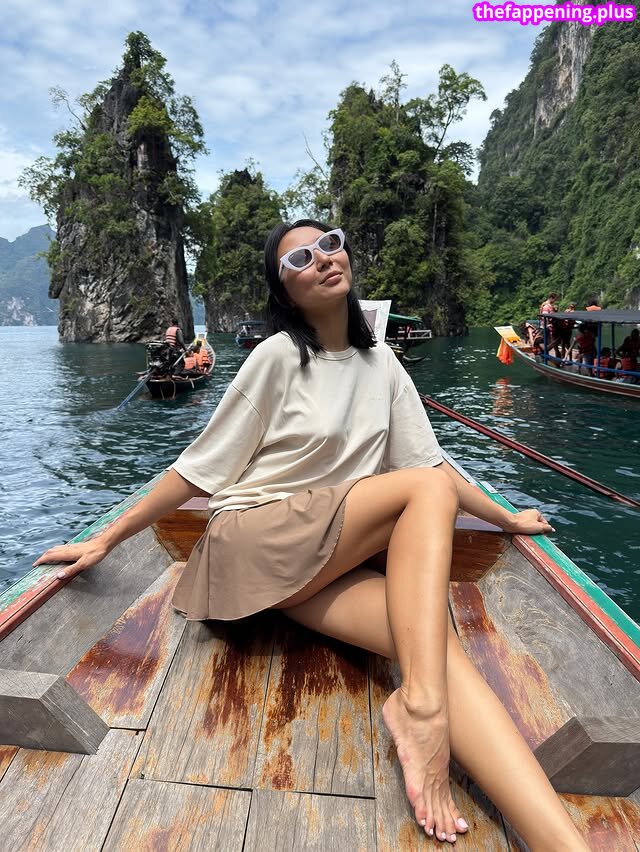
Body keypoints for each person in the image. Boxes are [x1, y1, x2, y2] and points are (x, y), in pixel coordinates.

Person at [34, 220, 588, 851]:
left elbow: (431, 465)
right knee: (425, 533)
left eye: (329, 243)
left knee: (431, 644)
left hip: (310, 565)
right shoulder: (276, 356)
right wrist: (106, 539)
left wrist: (506, 520)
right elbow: (197, 469)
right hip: (249, 543)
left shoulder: (383, 365)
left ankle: (559, 842)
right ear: (285, 291)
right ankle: (422, 712)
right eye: (299, 258)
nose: (323, 258)